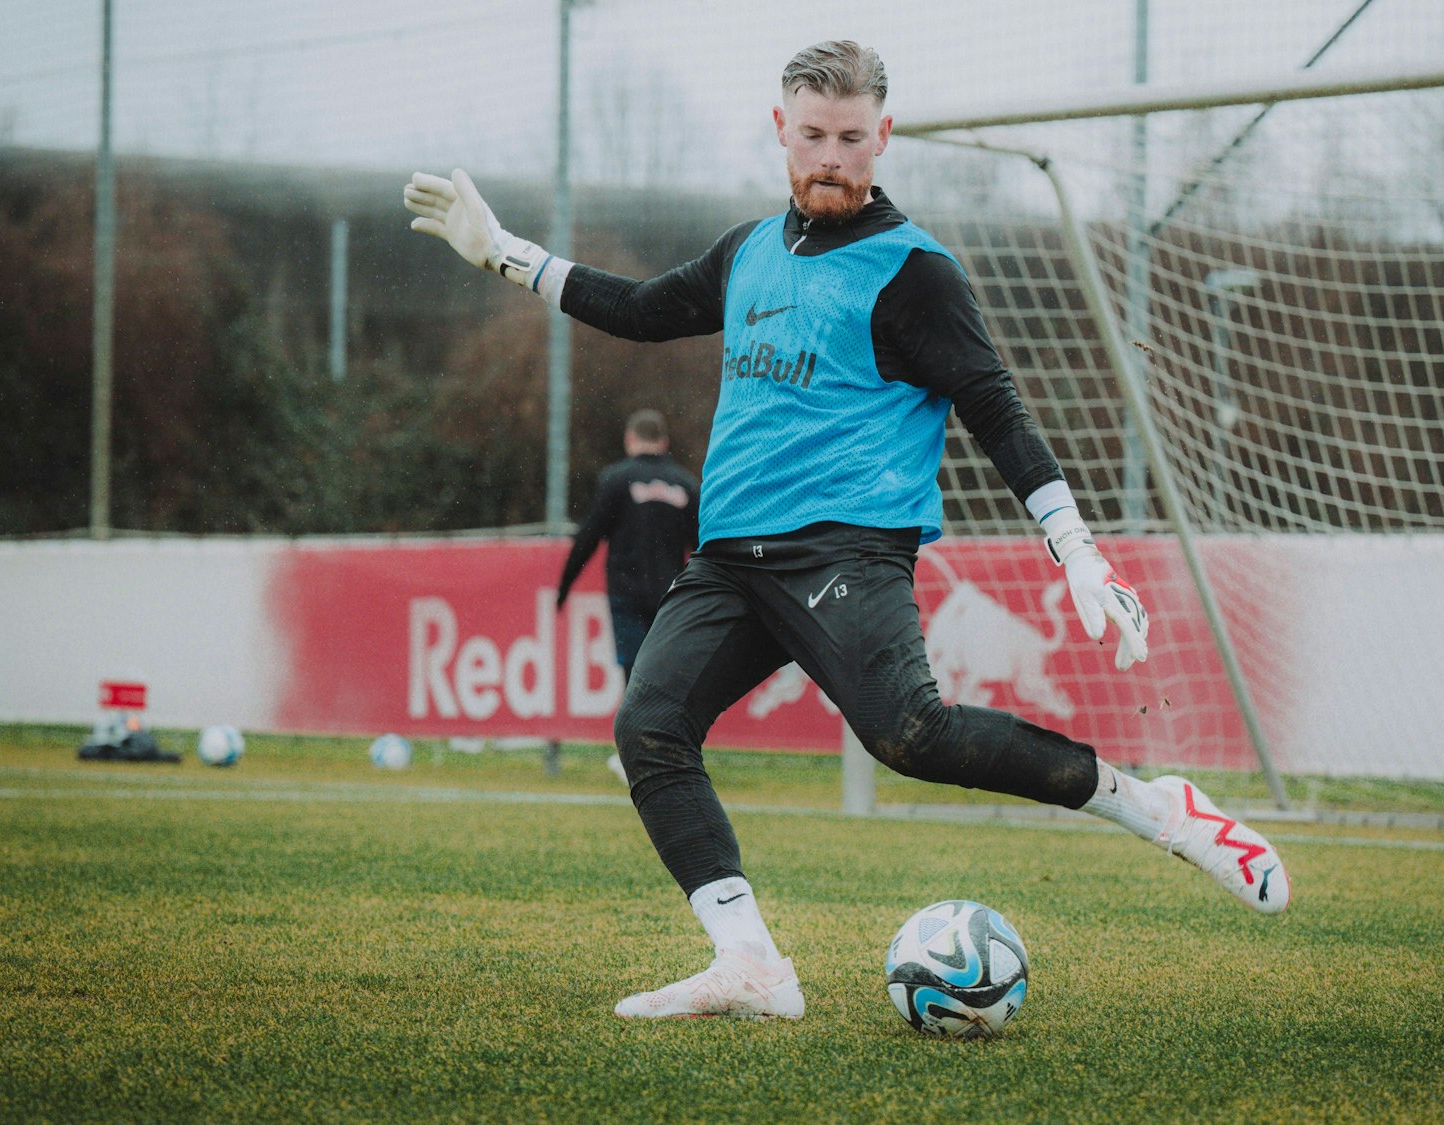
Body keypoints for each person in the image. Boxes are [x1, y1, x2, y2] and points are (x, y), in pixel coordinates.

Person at [403, 38, 1289, 1023]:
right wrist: (503, 253)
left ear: (883, 136)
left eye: (851, 138)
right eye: (813, 135)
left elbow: (995, 407)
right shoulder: (746, 250)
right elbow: (643, 309)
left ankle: (1156, 808)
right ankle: (750, 965)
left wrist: (1075, 549)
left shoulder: (913, 271)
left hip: (845, 551)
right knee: (647, 729)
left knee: (909, 736)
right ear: (780, 130)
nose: (831, 155)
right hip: (728, 558)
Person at [554, 409, 700, 678]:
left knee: (634, 676)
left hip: (626, 594)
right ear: (664, 442)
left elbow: (588, 538)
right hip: (670, 596)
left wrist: (564, 587)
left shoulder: (616, 480)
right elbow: (704, 548)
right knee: (665, 676)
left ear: (630, 439)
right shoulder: (686, 485)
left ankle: (637, 719)